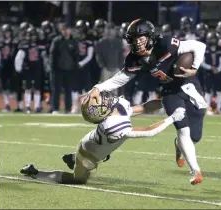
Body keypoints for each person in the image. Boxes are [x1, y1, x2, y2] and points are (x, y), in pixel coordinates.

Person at [80, 19, 207, 185]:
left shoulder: (165, 44)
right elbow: (120, 78)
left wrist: (195, 67)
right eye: (133, 39)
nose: (137, 43)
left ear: (150, 37)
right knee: (183, 130)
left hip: (189, 84)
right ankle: (195, 170)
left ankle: (178, 146)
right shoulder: (134, 59)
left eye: (140, 38)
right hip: (169, 91)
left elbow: (199, 46)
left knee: (195, 136)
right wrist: (98, 88)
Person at [20, 91, 186, 184]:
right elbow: (149, 131)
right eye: (101, 100)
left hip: (94, 144)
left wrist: (166, 101)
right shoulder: (112, 127)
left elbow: (144, 107)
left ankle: (72, 158)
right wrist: (172, 117)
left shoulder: (116, 109)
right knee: (78, 180)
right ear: (101, 110)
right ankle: (36, 172)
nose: (106, 97)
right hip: (88, 156)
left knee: (103, 154)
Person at [15, 27, 48, 113]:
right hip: (28, 69)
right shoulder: (24, 46)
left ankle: (37, 106)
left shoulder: (40, 46)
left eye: (33, 35)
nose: (32, 37)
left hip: (37, 69)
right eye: (30, 35)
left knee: (37, 88)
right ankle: (28, 106)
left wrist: (46, 67)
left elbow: (44, 58)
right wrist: (18, 68)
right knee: (28, 88)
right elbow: (19, 57)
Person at [49, 23, 79, 114]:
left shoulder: (74, 41)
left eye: (68, 29)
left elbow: (76, 56)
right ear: (61, 30)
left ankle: (67, 108)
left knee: (68, 90)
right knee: (56, 89)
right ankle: (55, 108)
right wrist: (52, 68)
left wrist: (75, 67)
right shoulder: (57, 41)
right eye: (64, 29)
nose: (66, 31)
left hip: (70, 69)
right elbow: (52, 55)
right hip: (57, 69)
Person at [0, 24, 18, 112]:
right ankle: (7, 104)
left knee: (13, 87)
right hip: (3, 66)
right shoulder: (0, 43)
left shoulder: (14, 43)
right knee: (4, 87)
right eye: (6, 32)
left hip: (12, 66)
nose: (7, 34)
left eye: (9, 32)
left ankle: (18, 105)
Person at [71, 20, 94, 114]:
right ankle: (75, 106)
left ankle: (85, 107)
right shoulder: (74, 39)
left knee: (86, 88)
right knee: (75, 88)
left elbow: (90, 55)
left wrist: (81, 63)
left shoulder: (89, 40)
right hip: (75, 67)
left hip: (85, 67)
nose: (79, 30)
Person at [201, 32, 221, 115]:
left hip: (218, 73)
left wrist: (218, 69)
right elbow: (201, 62)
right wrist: (210, 67)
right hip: (208, 72)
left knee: (219, 90)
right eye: (211, 39)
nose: (213, 41)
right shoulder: (204, 49)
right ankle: (208, 108)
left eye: (214, 39)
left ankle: (218, 108)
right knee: (208, 91)